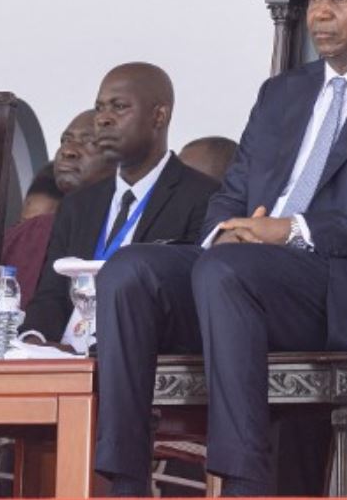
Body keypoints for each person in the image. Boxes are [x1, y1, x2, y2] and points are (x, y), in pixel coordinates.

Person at [95, 0, 347, 496]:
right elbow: (234, 192)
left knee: (229, 272)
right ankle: (122, 483)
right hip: (244, 273)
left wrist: (294, 230)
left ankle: (242, 481)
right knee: (128, 271)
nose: (319, 13)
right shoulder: (282, 94)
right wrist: (224, 232)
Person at [21, 65, 216, 344]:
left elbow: (186, 304)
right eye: (100, 108)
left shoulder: (202, 196)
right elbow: (51, 294)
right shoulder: (78, 205)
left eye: (119, 107)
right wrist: (34, 339)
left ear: (159, 116)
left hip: (137, 355)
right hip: (65, 356)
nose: (103, 120)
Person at [6, 110, 113, 306]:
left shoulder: (129, 223)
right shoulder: (29, 234)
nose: (68, 151)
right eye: (65, 140)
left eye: (89, 142)